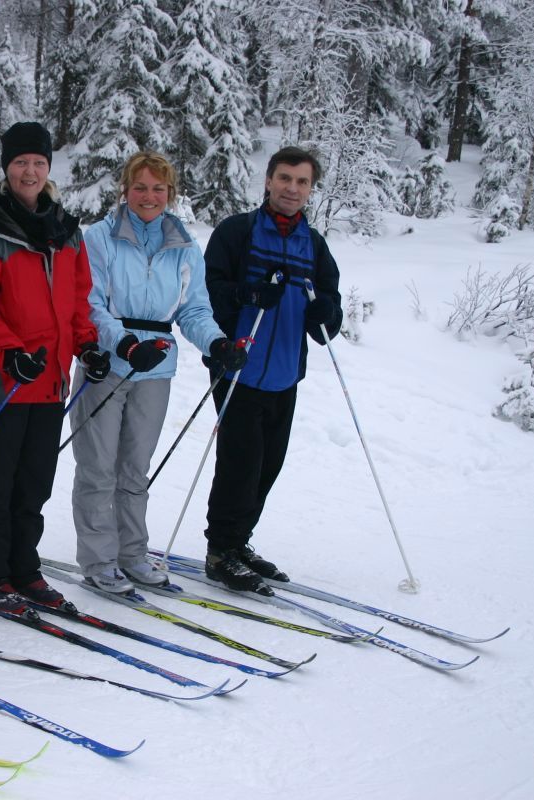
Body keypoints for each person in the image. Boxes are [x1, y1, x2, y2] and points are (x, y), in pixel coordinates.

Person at [70, 152, 245, 593]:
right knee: (98, 467)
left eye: (159, 189)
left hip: (157, 368)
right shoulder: (100, 238)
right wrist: (125, 343)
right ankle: (98, 559)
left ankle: (132, 554)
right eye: (141, 187)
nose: (149, 197)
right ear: (125, 190)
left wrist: (217, 342)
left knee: (134, 468)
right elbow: (88, 304)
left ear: (171, 193)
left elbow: (195, 309)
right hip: (108, 364)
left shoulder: (184, 245)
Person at [0, 122, 109, 614]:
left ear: (49, 169)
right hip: (1, 381)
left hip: (48, 383)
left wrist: (87, 347)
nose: (30, 171)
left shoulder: (66, 231)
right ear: (7, 167)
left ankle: (24, 570)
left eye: (38, 163)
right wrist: (7, 353)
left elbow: (76, 301)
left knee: (33, 486)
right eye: (21, 162)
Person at [202, 145, 343, 595]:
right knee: (239, 464)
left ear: (310, 189)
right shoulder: (237, 232)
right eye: (285, 179)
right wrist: (247, 295)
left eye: (302, 182)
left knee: (268, 465)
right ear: (268, 181)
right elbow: (210, 292)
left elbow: (329, 311)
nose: (292, 189)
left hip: (285, 372)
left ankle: (239, 542)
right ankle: (220, 550)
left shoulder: (314, 244)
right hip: (240, 367)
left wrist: (326, 312)